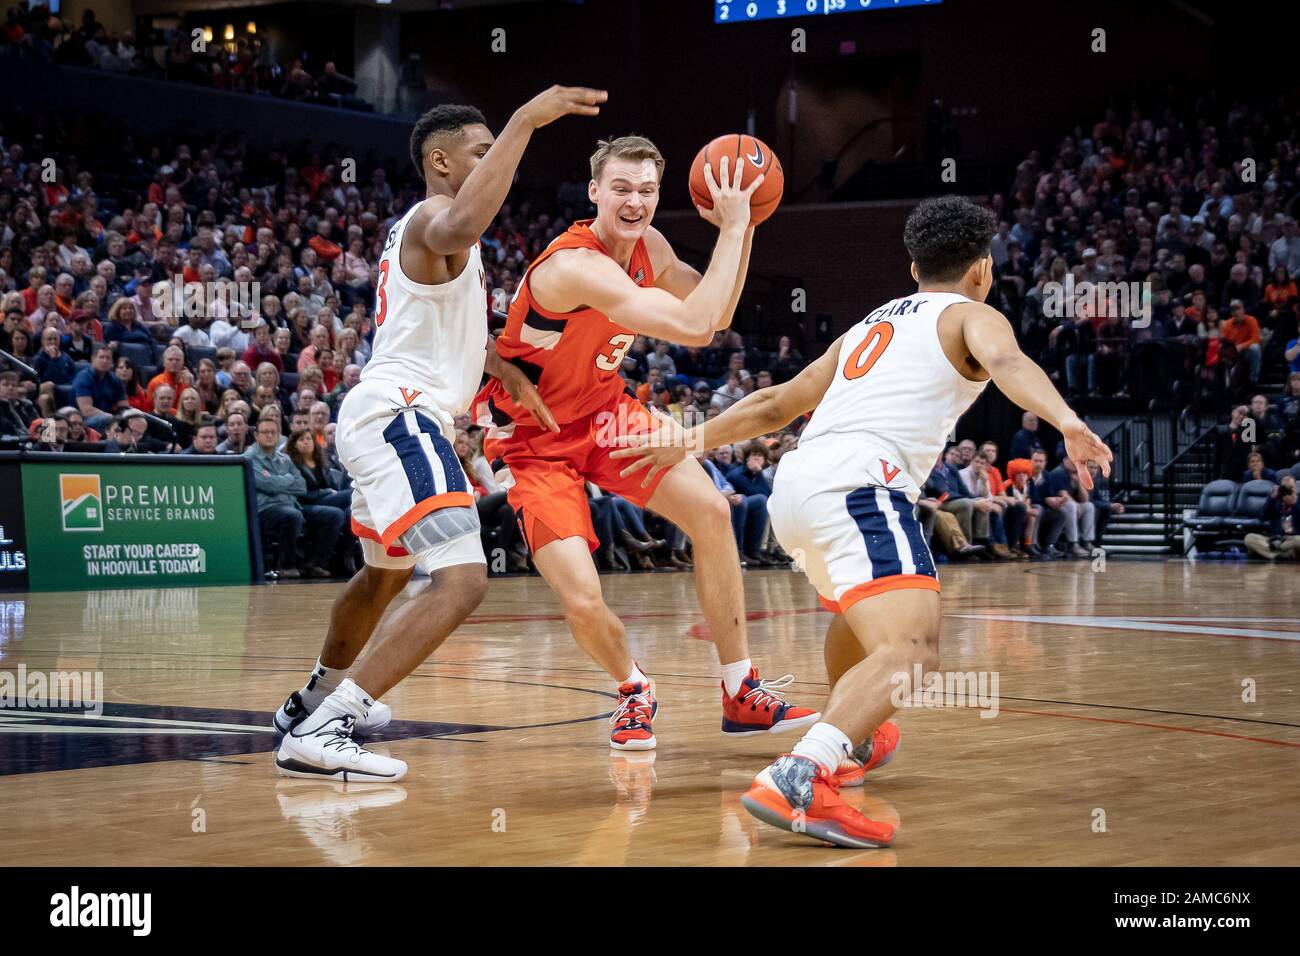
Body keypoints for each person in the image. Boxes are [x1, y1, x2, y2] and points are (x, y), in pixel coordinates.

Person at [614, 194, 1112, 848]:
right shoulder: (971, 314)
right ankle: (800, 773)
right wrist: (1068, 420)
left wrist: (691, 439)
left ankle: (844, 739)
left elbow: (777, 403)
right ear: (983, 269)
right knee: (913, 651)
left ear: (912, 269)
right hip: (858, 484)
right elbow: (1010, 364)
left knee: (857, 614)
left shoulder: (872, 322)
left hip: (797, 486)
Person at [274, 86, 605, 782]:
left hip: (381, 414)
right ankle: (326, 729)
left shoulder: (434, 237)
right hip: (400, 416)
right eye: (482, 153)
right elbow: (459, 226)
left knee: (383, 576)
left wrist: (503, 371)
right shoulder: (433, 219)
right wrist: (523, 119)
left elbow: (443, 327)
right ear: (441, 161)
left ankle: (312, 699)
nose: (495, 163)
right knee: (462, 581)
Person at [473, 133, 817, 753]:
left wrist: (747, 225)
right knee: (581, 598)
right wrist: (734, 227)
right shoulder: (573, 265)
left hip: (605, 415)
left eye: (647, 191)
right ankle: (633, 687)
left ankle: (740, 691)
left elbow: (718, 314)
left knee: (712, 512)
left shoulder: (650, 246)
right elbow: (691, 328)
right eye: (622, 189)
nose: (634, 202)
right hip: (534, 439)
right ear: (595, 192)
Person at [245, 417, 344, 580]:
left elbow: (301, 486)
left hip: (293, 505)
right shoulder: (249, 458)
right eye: (265, 432)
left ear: (279, 435)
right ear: (256, 435)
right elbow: (267, 485)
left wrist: (277, 481)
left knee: (334, 515)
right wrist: (286, 480)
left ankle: (315, 564)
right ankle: (286, 566)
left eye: (273, 432)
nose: (269, 435)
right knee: (292, 515)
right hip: (265, 510)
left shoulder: (285, 458)